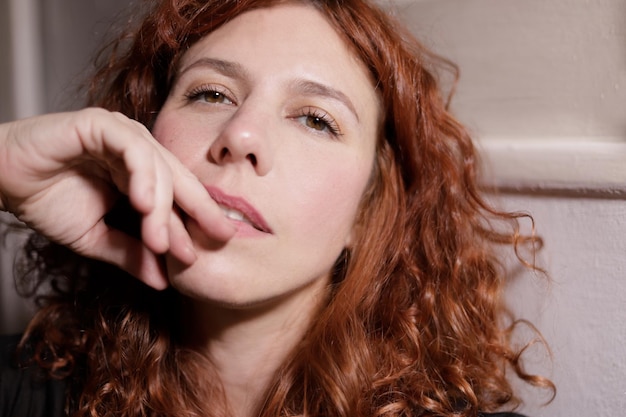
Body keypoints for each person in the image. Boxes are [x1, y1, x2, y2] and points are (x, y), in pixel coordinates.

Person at [0, 0, 554, 416]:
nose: (240, 135)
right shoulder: (23, 390)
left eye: (316, 119)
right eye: (210, 93)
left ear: (367, 214)